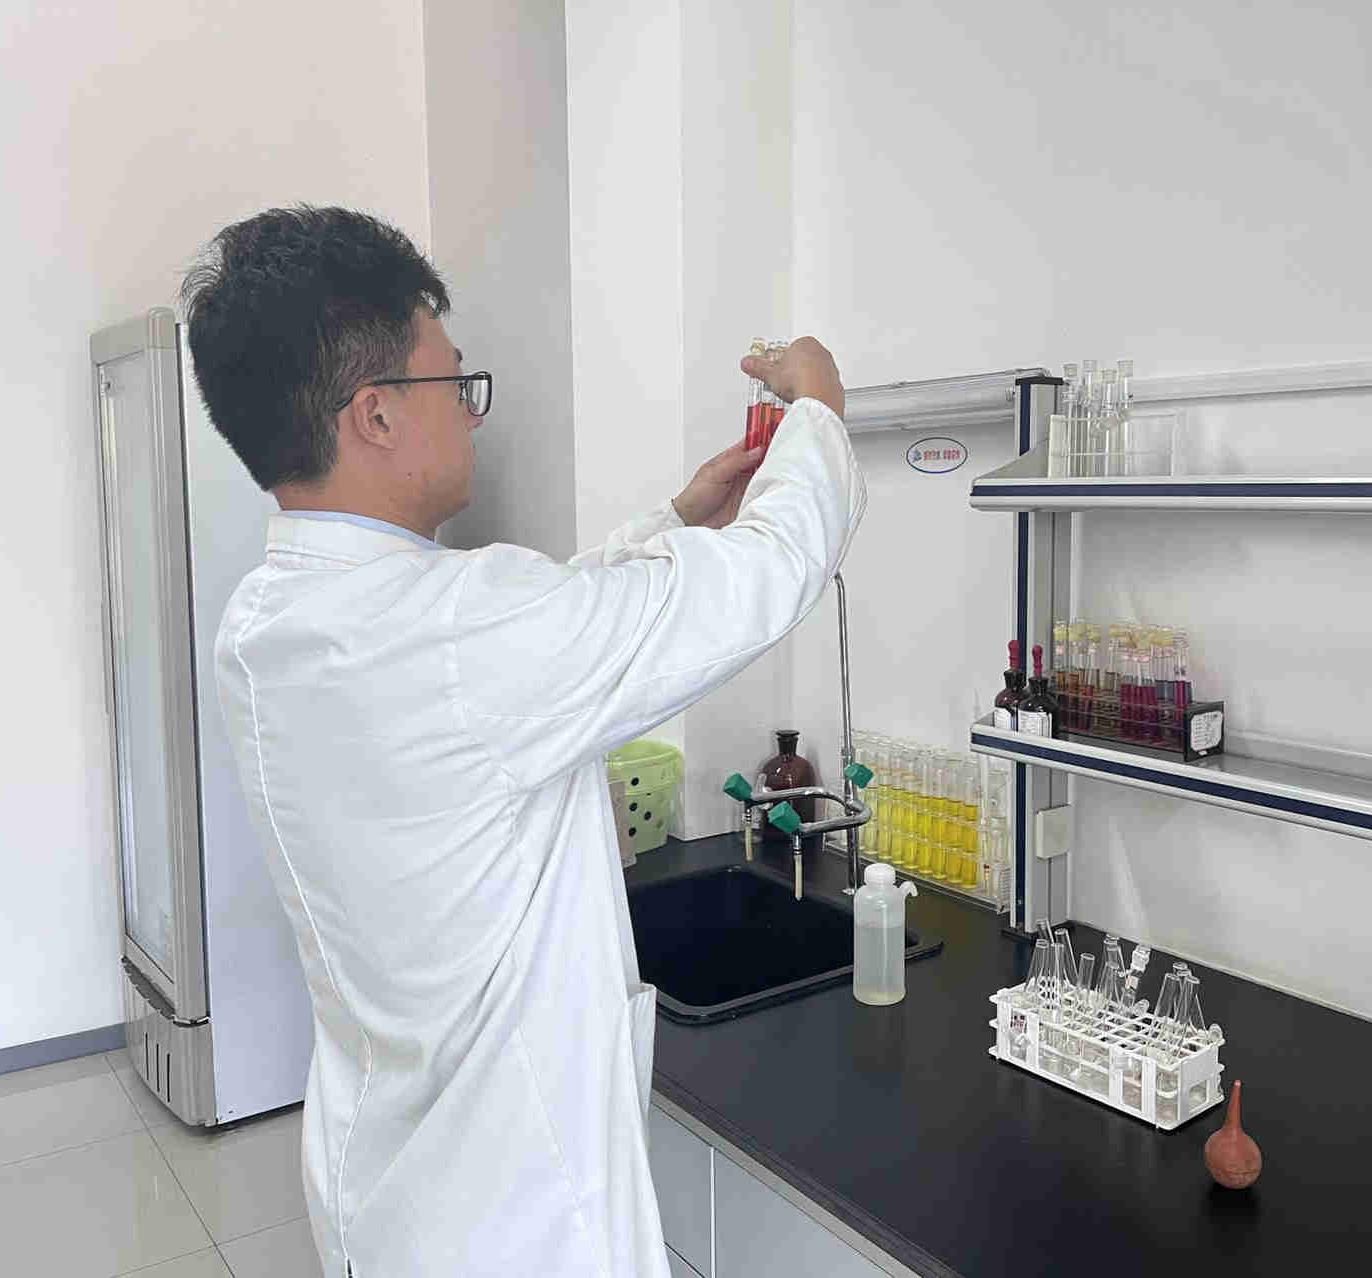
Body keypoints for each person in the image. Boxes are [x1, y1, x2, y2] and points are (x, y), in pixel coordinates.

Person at [180, 206, 863, 1277]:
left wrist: (673, 521)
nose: (471, 412)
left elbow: (524, 645)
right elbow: (766, 576)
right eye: (455, 383)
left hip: (387, 1190)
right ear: (375, 414)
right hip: (514, 1222)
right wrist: (819, 409)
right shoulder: (458, 634)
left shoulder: (268, 623)